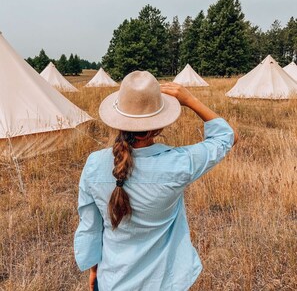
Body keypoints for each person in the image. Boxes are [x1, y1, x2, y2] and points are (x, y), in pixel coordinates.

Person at [74, 71, 237, 291]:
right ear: (158, 126)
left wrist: (94, 270)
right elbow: (227, 136)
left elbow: (90, 227)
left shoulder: (94, 164)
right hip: (164, 282)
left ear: (118, 119)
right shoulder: (179, 164)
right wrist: (190, 100)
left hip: (112, 281)